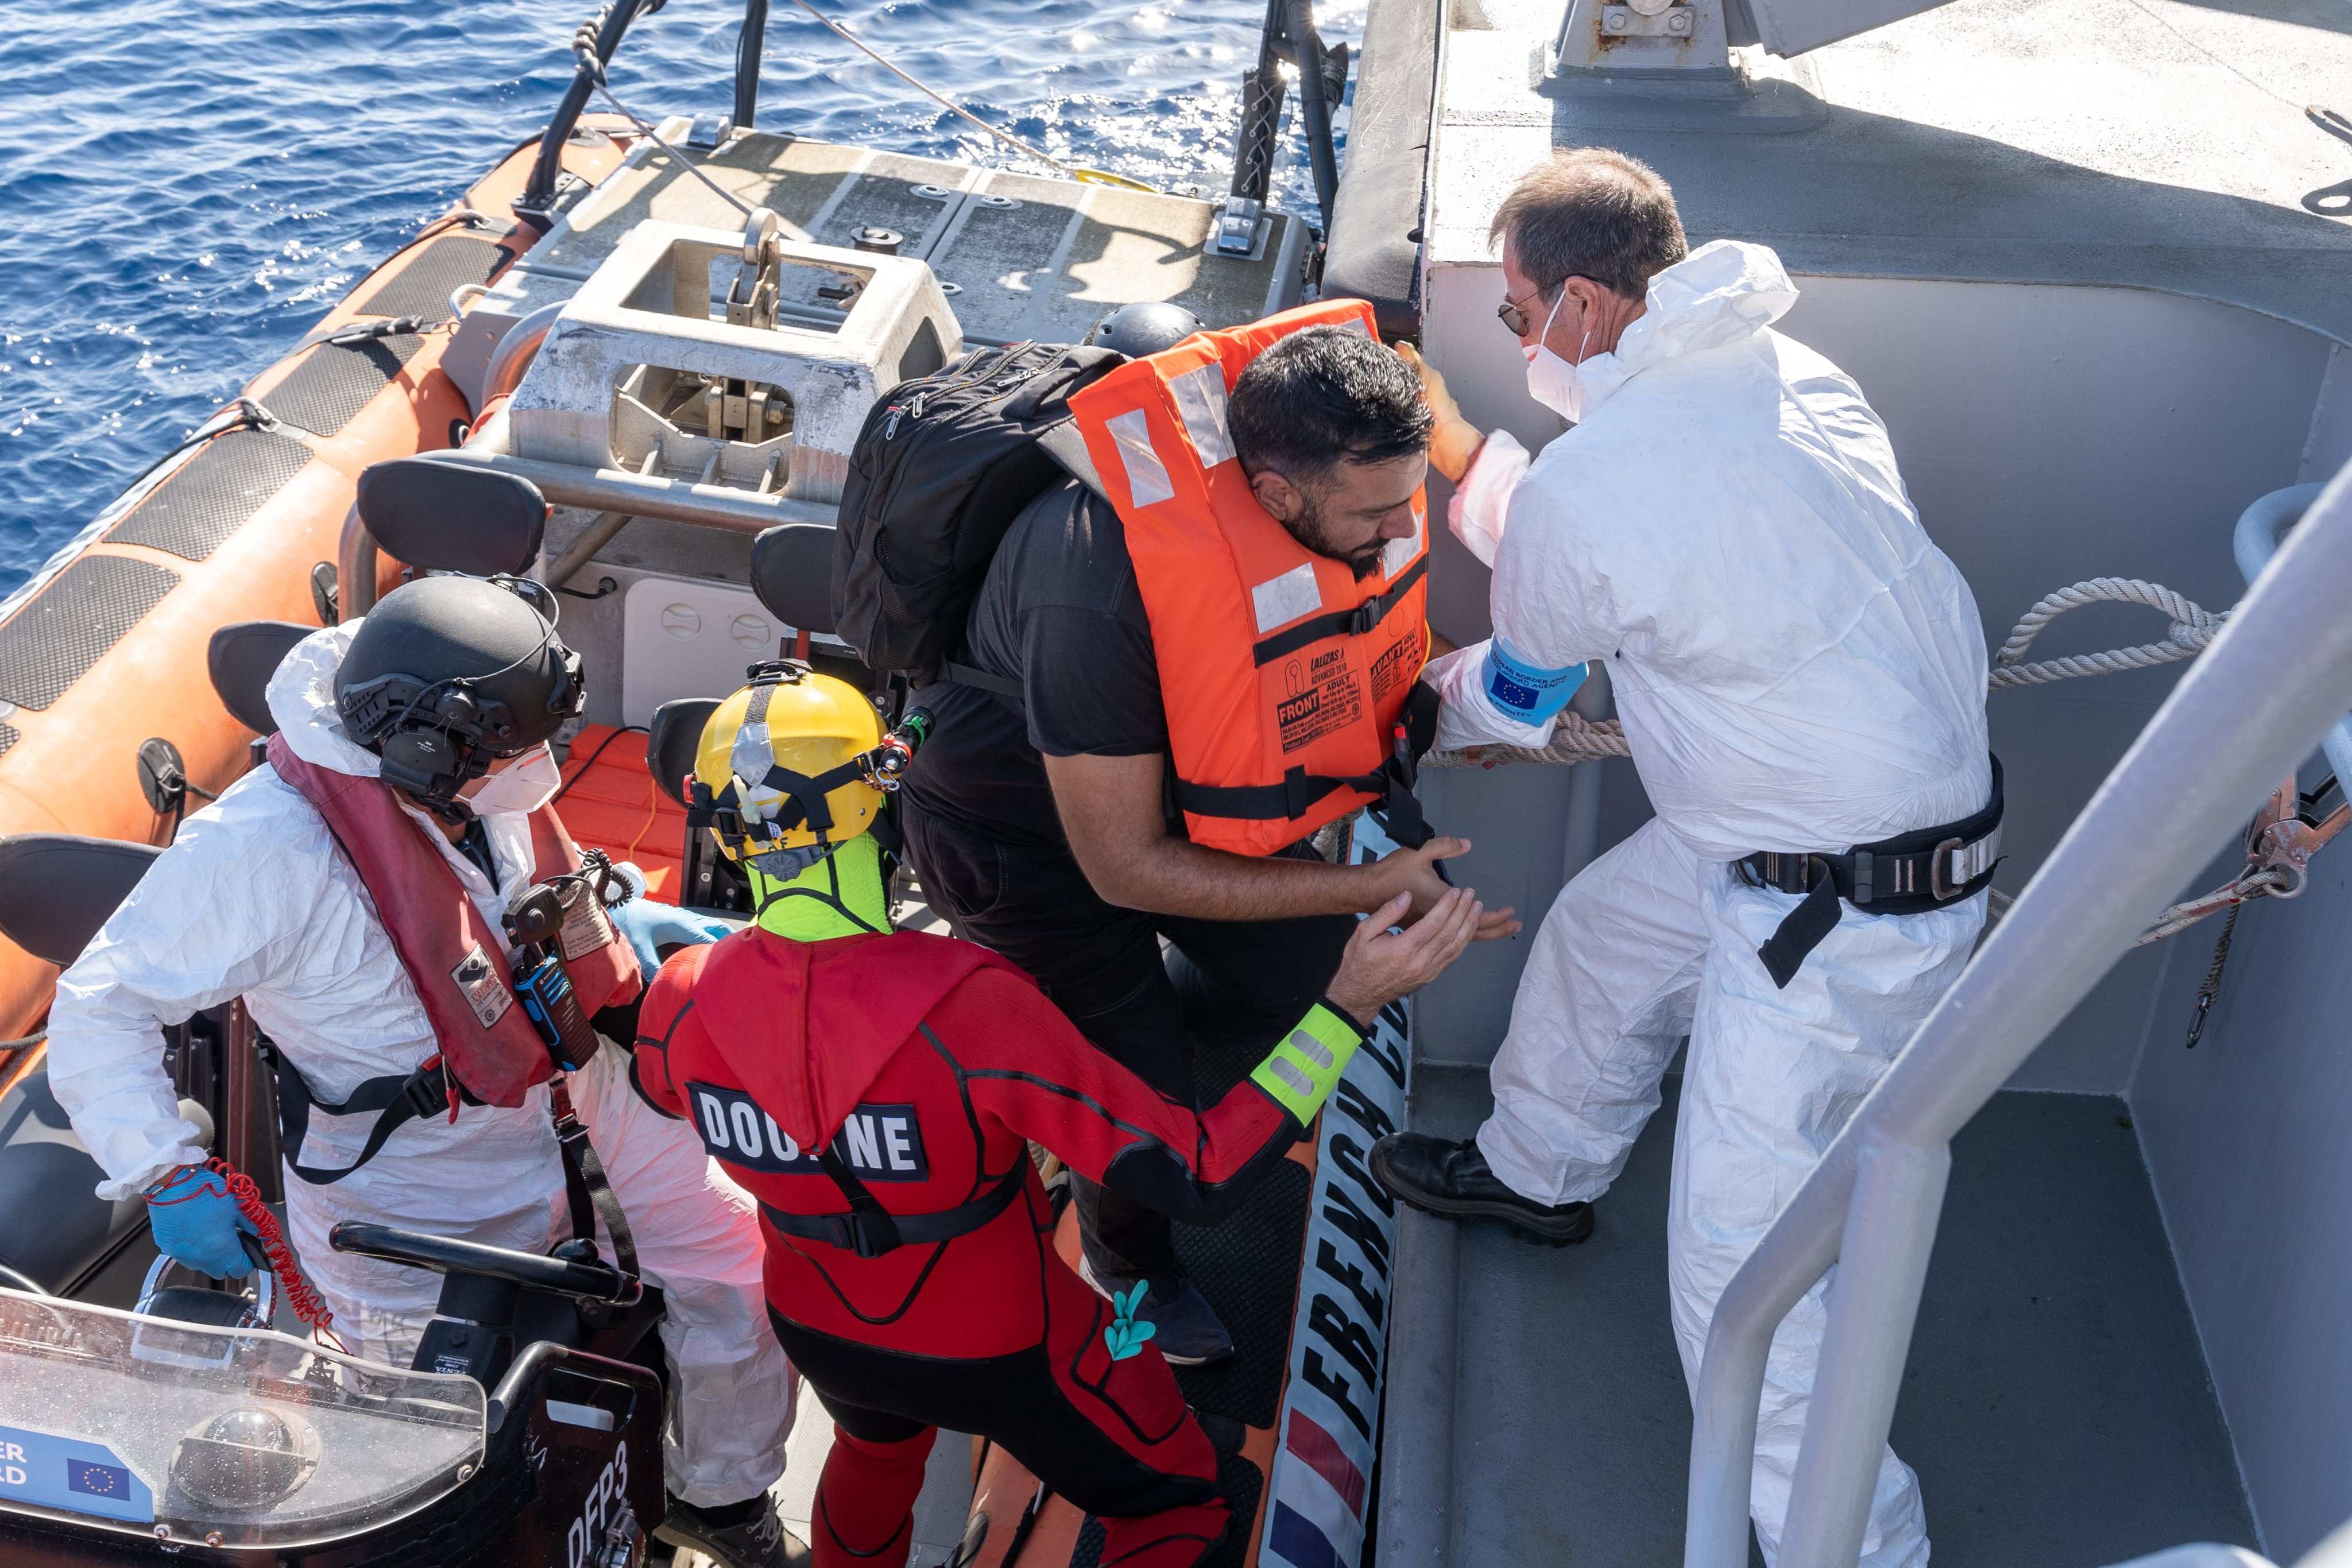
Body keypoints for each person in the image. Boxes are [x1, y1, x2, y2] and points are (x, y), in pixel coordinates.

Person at [1370, 148, 1998, 1568]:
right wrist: (1487, 478)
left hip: (1839, 910)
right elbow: (1672, 546)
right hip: (1822, 829)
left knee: (1739, 1278)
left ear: (1585, 305)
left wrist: (1409, 702)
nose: (1519, 339)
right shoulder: (1789, 372)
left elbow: (1522, 693)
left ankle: (1856, 1548)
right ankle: (1536, 1170)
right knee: (1603, 939)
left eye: (1519, 313)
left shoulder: (1596, 486)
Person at [635, 663, 1483, 1568]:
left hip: (822, 1334)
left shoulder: (679, 998)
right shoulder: (973, 1003)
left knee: (876, 1455)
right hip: (1007, 1350)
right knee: (1180, 1507)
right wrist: (1348, 1003)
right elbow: (1200, 1171)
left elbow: (667, 1091)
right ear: (882, 800)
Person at [45, 575, 803, 1568]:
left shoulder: (465, 744)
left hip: (587, 1107)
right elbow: (100, 1006)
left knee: (741, 1271)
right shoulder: (262, 851)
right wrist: (166, 1171)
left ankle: (720, 1493)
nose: (537, 770)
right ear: (427, 751)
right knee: (446, 1429)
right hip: (416, 1193)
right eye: (516, 754)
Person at [897, 301, 1518, 1363]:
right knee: (1150, 1119)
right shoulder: (1092, 584)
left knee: (1303, 976)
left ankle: (1171, 1017)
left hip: (1182, 800)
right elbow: (1123, 866)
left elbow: (1346, 636)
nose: (1396, 534)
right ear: (1273, 493)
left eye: (1406, 503)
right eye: (1376, 514)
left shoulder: (1311, 500)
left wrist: (1497, 707)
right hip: (1026, 851)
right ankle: (1125, 1258)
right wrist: (1371, 885)